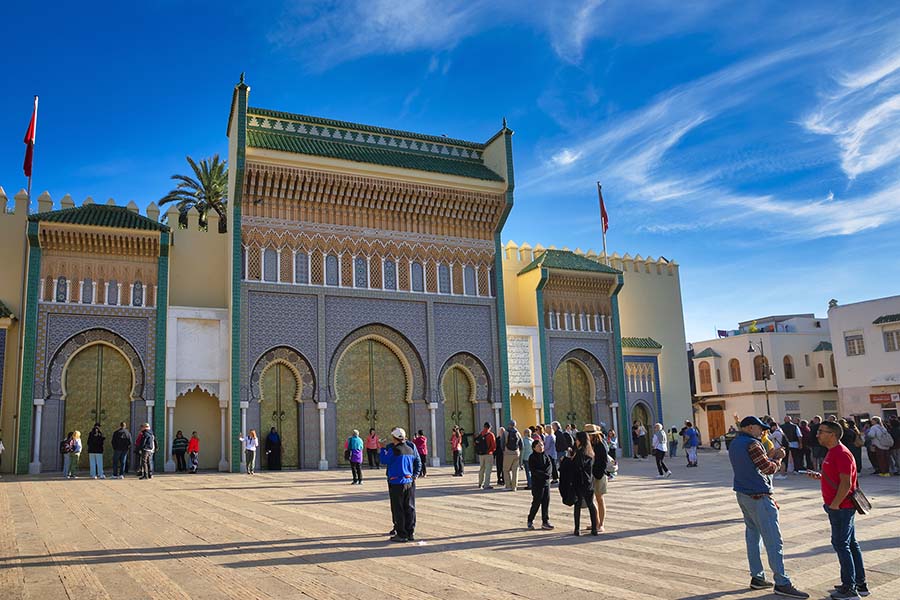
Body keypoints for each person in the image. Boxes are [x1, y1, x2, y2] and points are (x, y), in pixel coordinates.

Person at [728, 415, 808, 598]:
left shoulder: (735, 443)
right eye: (759, 428)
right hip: (759, 496)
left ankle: (757, 577)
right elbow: (767, 468)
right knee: (773, 539)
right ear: (749, 428)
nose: (763, 431)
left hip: (743, 493)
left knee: (753, 537)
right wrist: (779, 459)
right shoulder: (753, 444)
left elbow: (750, 464)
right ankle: (782, 581)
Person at [807, 421, 868, 599]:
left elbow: (846, 483)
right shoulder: (832, 452)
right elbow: (837, 477)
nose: (817, 434)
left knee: (841, 545)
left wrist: (835, 504)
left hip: (841, 508)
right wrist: (821, 476)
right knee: (850, 544)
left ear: (832, 434)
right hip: (840, 506)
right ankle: (860, 583)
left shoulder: (841, 453)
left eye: (821, 431)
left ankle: (850, 589)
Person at [380, 427, 418, 543]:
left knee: (398, 508)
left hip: (397, 482)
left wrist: (382, 448)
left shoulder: (394, 450)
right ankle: (410, 532)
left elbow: (384, 460)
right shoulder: (410, 449)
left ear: (395, 438)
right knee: (409, 507)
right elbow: (417, 461)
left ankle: (401, 534)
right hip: (409, 482)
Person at [561, 431, 598, 536]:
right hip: (588, 481)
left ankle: (577, 529)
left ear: (580, 440)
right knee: (590, 504)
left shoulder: (580, 453)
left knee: (577, 505)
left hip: (579, 482)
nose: (575, 441)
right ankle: (594, 528)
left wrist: (566, 460)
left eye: (576, 439)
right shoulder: (590, 452)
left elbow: (576, 466)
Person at [584, 424, 612, 533]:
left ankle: (601, 524)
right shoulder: (587, 445)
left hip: (599, 475)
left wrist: (598, 474)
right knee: (591, 500)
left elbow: (603, 461)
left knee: (599, 499)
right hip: (590, 475)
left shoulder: (601, 445)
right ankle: (595, 522)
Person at [526, 438, 554, 530]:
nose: (541, 447)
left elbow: (549, 467)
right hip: (537, 483)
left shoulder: (546, 456)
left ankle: (545, 521)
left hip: (546, 483)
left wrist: (547, 475)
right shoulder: (532, 457)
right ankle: (530, 519)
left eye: (542, 445)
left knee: (546, 502)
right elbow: (534, 471)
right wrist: (544, 475)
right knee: (536, 502)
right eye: (538, 446)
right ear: (534, 448)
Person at [501, 420, 523, 491]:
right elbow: (521, 445)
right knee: (515, 470)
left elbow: (502, 443)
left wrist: (504, 451)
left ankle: (508, 485)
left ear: (509, 425)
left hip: (508, 453)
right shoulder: (518, 433)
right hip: (516, 453)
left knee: (506, 470)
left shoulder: (505, 433)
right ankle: (514, 486)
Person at [474, 422, 496, 489]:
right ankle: (486, 484)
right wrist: (492, 451)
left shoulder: (480, 434)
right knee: (488, 470)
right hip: (488, 454)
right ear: (489, 427)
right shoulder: (491, 435)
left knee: (481, 469)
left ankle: (480, 483)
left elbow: (475, 443)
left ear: (484, 427)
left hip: (481, 455)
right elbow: (494, 446)